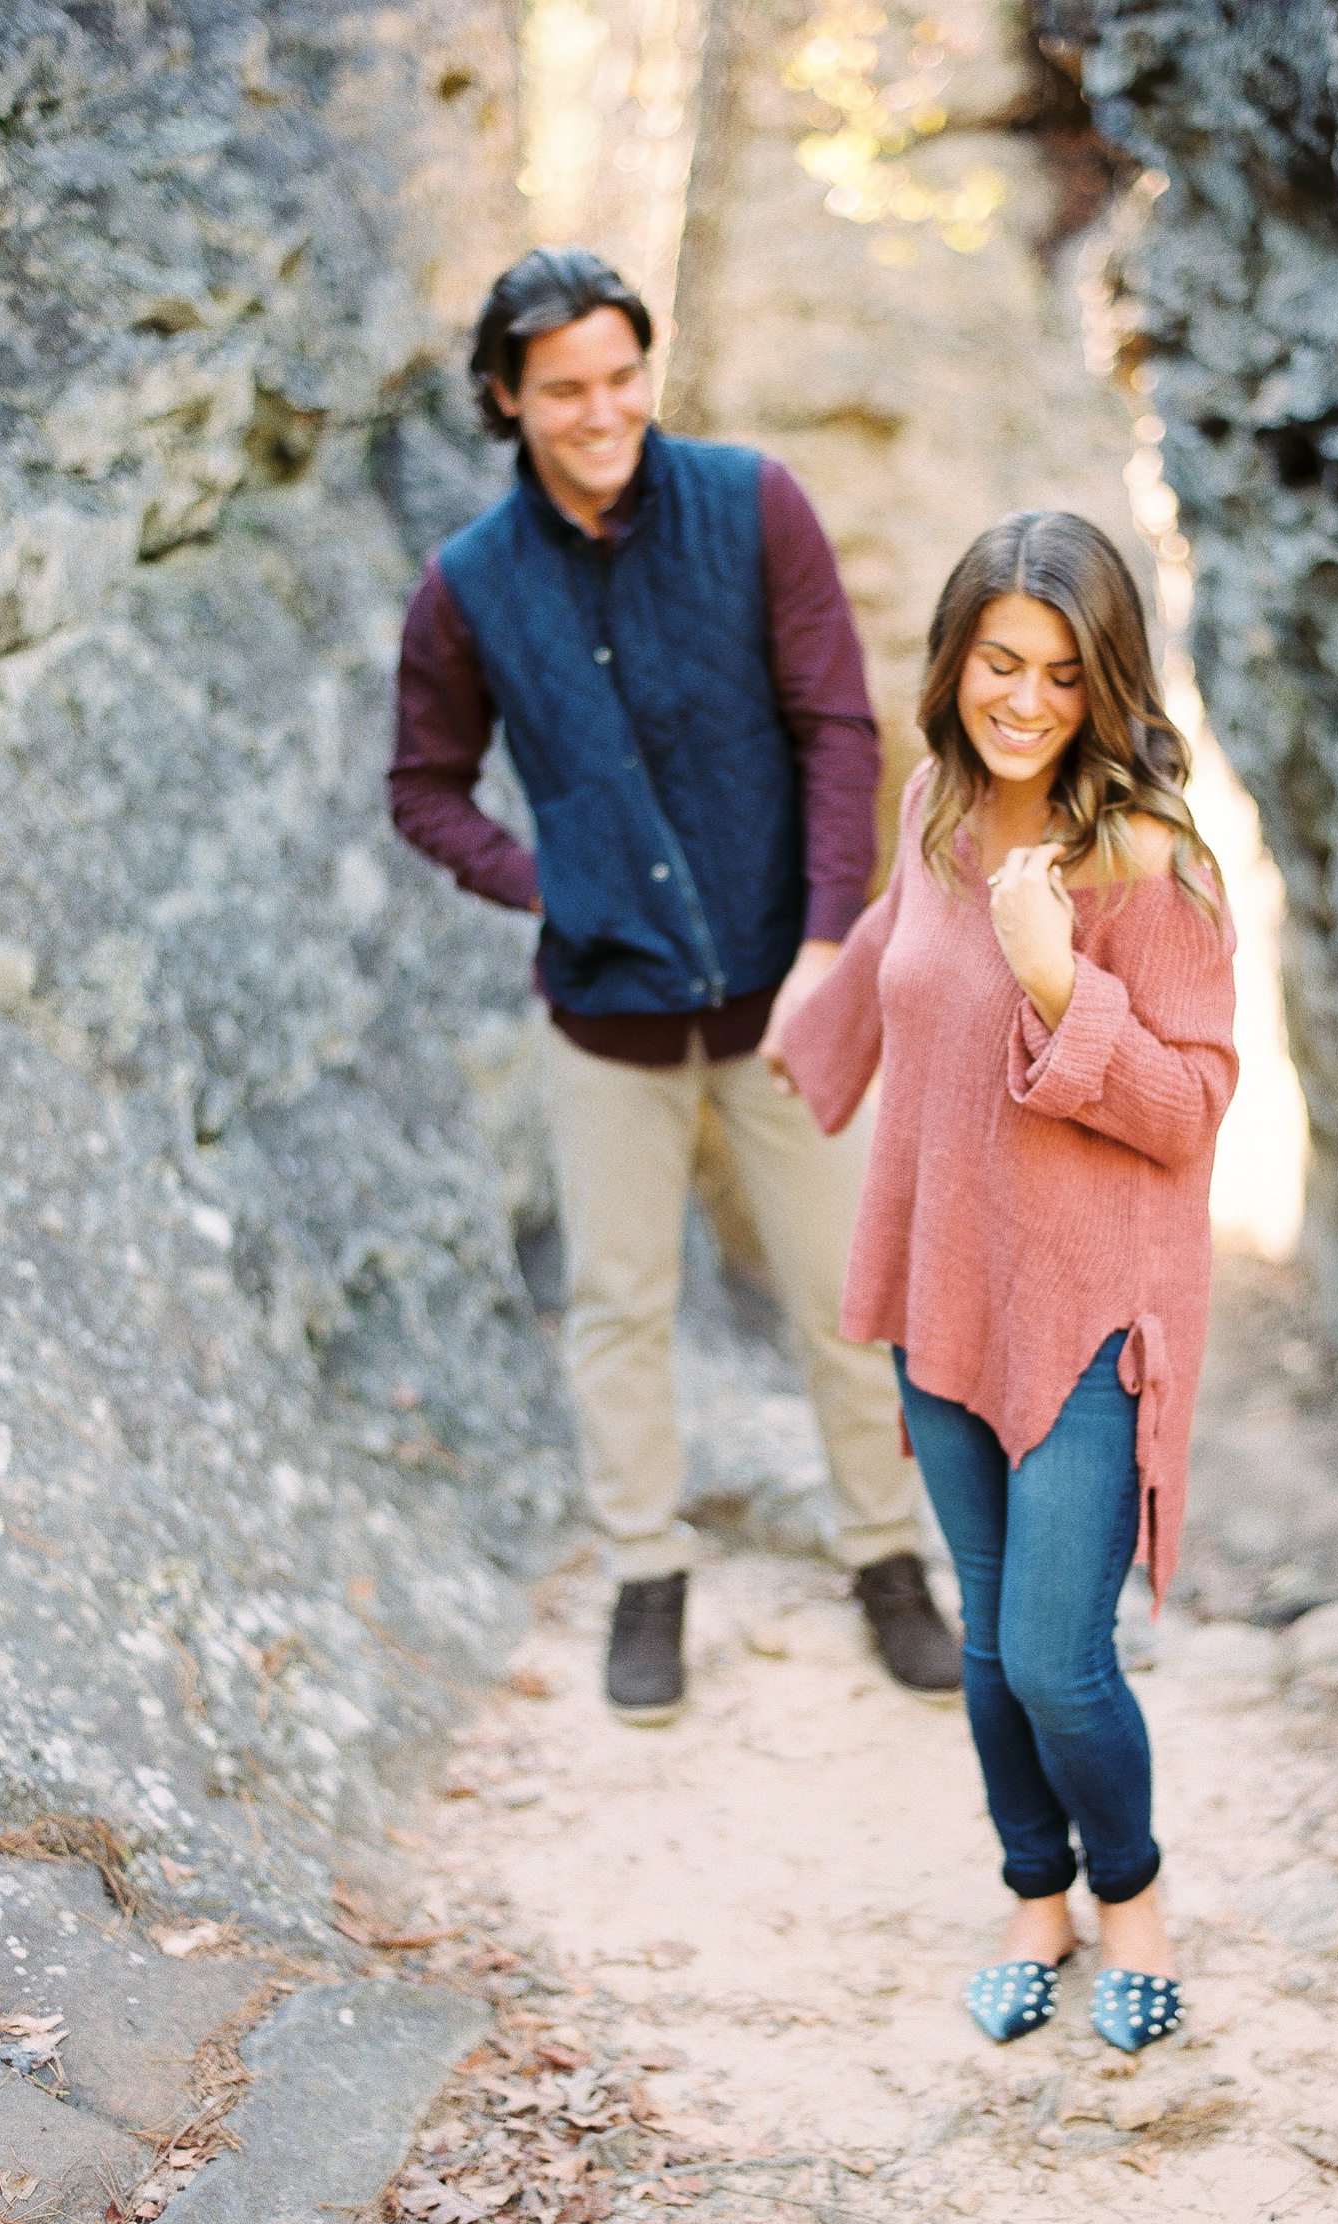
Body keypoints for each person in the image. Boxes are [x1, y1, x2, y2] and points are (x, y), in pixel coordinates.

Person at [387, 246, 960, 1721]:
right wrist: (548, 886)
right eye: (565, 388)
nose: (603, 410)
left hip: (790, 992)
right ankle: (648, 1575)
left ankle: (888, 1564)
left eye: (623, 376)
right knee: (618, 1307)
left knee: (850, 1297)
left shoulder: (754, 504)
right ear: (506, 401)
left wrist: (831, 948)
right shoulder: (466, 588)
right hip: (607, 1016)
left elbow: (840, 728)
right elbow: (425, 790)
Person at [770, 511, 1237, 2051]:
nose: (1026, 700)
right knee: (984, 1644)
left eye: (1062, 672)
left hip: (1097, 1311)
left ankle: (1136, 1900)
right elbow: (902, 953)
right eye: (999, 662)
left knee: (1055, 1652)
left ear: (1107, 682)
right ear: (957, 661)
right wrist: (810, 1039)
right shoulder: (936, 805)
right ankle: (1033, 1898)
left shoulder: (1148, 862)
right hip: (950, 1284)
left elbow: (1190, 1103)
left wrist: (1060, 976)